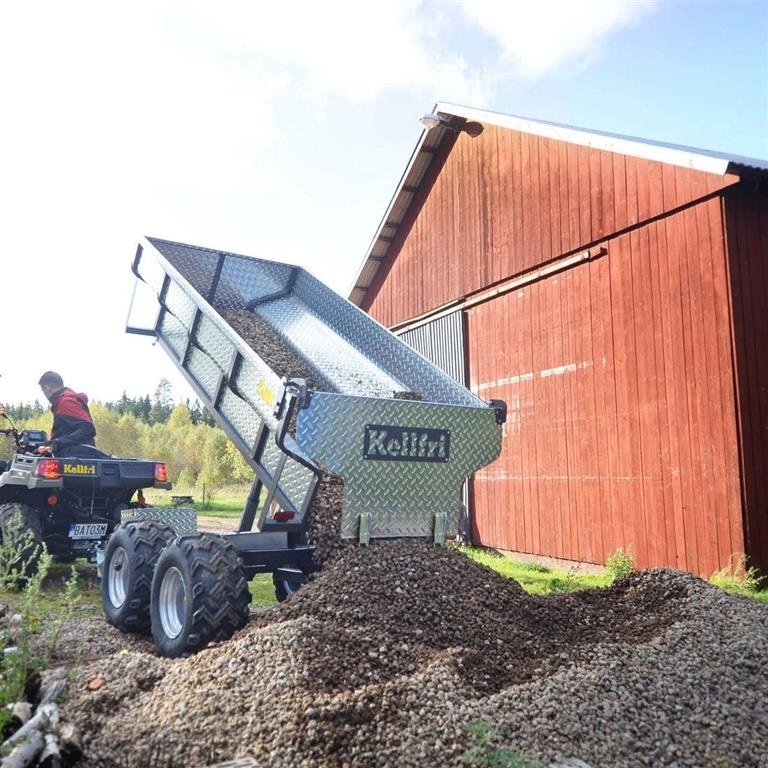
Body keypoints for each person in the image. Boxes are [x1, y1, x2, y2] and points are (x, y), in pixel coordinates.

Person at [35, 371, 97, 456]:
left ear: (47, 388)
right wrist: (48, 445)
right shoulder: (66, 400)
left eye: (43, 390)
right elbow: (67, 432)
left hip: (76, 457)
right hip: (76, 455)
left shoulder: (66, 402)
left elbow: (88, 430)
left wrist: (57, 443)